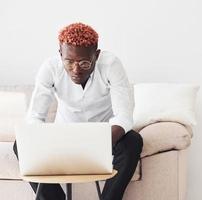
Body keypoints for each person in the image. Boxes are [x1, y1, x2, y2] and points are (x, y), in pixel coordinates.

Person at [13, 22, 143, 200]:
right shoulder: (50, 68)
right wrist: (39, 141)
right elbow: (35, 117)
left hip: (105, 137)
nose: (76, 70)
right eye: (69, 61)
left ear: (96, 56)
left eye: (84, 62)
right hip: (63, 136)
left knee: (133, 141)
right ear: (60, 54)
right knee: (20, 144)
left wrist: (97, 142)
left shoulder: (111, 64)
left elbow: (124, 117)